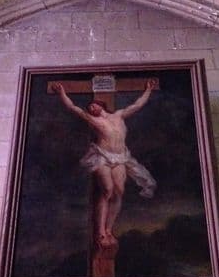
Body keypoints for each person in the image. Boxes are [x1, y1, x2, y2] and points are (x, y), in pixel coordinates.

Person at [51, 80, 157, 247]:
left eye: (93, 105)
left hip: (120, 157)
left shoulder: (119, 115)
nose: (91, 108)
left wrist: (148, 90)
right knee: (107, 189)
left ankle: (108, 229)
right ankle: (100, 232)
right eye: (90, 108)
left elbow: (137, 105)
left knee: (119, 192)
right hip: (102, 157)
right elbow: (73, 107)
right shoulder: (94, 121)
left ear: (101, 105)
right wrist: (62, 92)